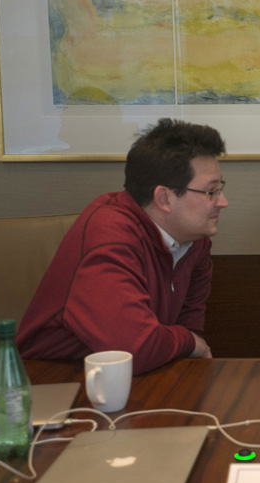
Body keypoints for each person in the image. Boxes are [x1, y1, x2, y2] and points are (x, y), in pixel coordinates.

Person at [17, 118, 228, 374]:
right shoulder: (108, 233)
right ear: (164, 198)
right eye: (211, 192)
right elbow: (134, 349)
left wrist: (188, 341)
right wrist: (189, 341)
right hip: (53, 378)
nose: (223, 202)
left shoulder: (195, 239)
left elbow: (190, 326)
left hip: (143, 374)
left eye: (220, 188)